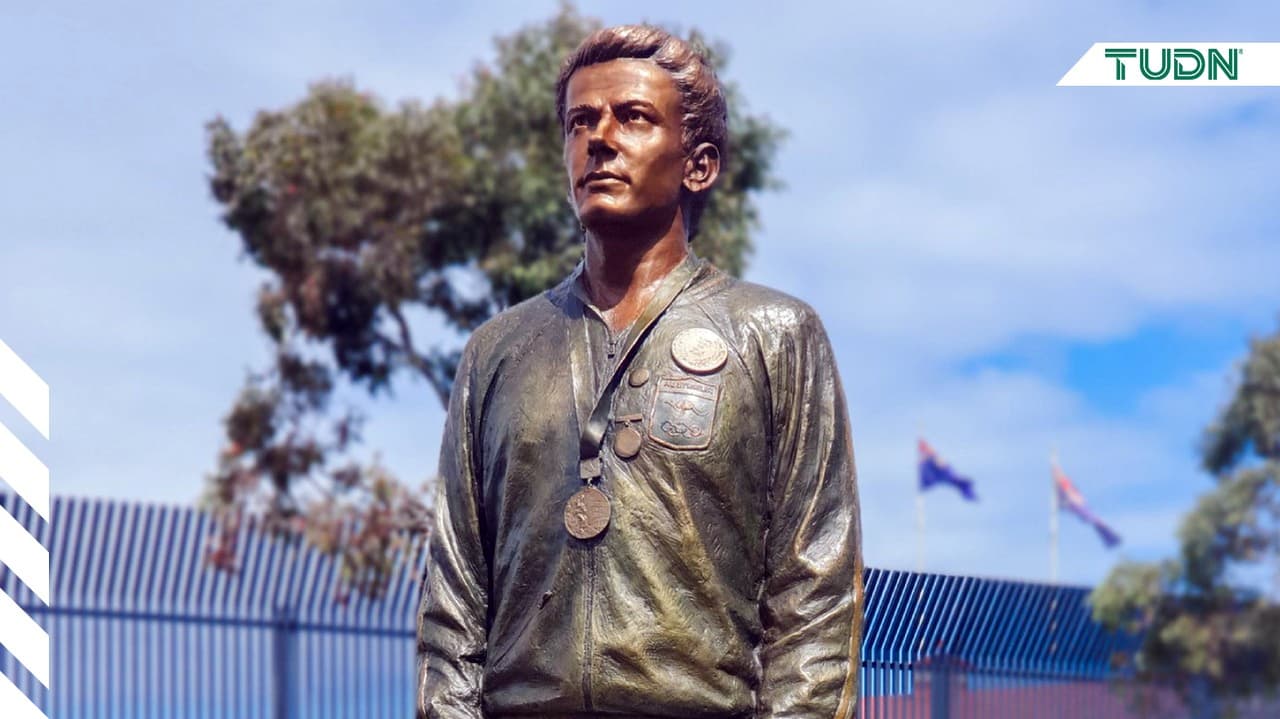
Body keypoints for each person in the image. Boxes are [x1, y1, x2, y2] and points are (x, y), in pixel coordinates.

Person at [417, 24, 862, 719]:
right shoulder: (496, 351)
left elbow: (816, 597)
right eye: (580, 122)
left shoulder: (775, 335)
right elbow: (454, 602)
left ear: (699, 164)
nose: (599, 139)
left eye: (633, 117)